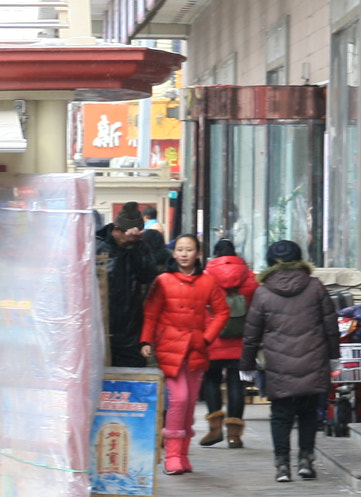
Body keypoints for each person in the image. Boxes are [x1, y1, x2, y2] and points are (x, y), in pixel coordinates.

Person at [240, 238, 338, 483]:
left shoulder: (262, 293)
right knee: (307, 413)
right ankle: (306, 460)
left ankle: (282, 465)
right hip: (312, 359)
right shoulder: (315, 286)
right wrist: (334, 356)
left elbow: (251, 332)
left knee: (281, 414)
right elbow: (331, 326)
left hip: (278, 364)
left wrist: (247, 365)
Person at [140, 233, 230, 475]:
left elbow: (222, 312)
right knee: (178, 399)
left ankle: (182, 455)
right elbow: (151, 313)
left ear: (198, 253)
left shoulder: (208, 282)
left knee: (190, 401)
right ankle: (171, 456)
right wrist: (146, 339)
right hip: (170, 347)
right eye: (179, 249)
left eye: (189, 249)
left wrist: (207, 337)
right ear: (174, 252)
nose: (183, 254)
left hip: (196, 349)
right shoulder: (163, 281)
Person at [199, 238, 258, 448]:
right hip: (240, 340)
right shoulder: (250, 279)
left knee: (212, 380)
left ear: (215, 255)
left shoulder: (205, 277)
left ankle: (214, 429)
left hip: (213, 337)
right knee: (236, 384)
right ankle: (234, 435)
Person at [94, 204, 160, 368]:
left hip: (130, 327)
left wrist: (135, 247)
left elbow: (149, 276)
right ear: (116, 229)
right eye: (128, 238)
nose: (130, 241)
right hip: (100, 325)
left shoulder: (139, 246)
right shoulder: (97, 246)